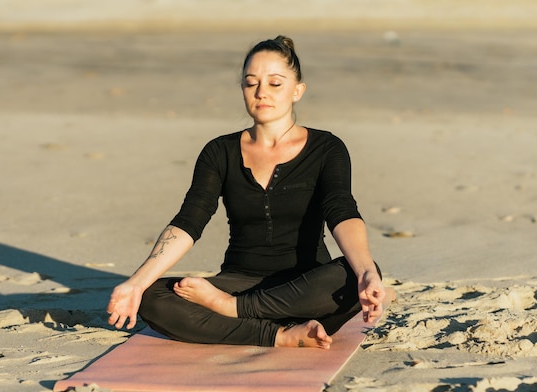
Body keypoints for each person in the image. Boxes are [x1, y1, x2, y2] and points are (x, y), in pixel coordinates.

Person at [107, 35, 395, 349]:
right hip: (238, 282)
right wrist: (136, 283)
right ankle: (279, 335)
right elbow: (190, 220)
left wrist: (366, 271)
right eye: (250, 83)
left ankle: (235, 314)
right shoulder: (220, 152)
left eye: (275, 83)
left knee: (353, 278)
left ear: (297, 91)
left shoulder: (327, 148)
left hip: (304, 289)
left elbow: (341, 210)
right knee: (152, 296)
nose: (261, 93)